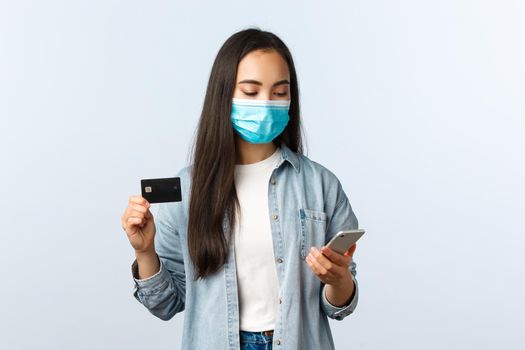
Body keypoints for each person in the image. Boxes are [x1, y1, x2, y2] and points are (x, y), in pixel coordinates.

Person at [121, 28, 360, 350]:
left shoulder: (320, 184)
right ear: (224, 96)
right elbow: (165, 304)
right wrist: (144, 251)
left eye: (279, 93)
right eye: (250, 91)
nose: (266, 103)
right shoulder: (188, 188)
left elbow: (340, 305)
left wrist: (339, 278)